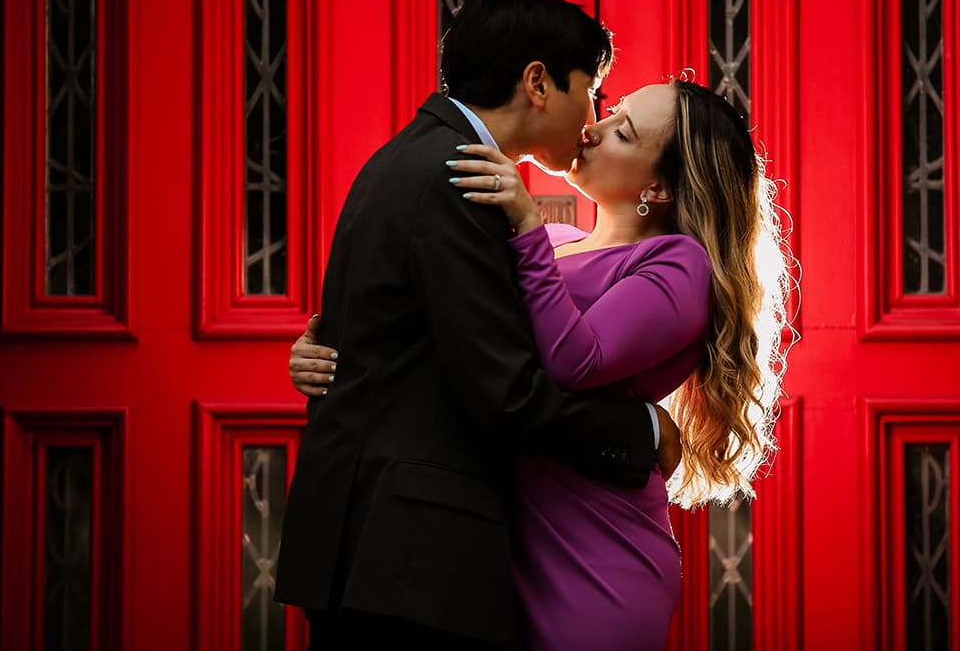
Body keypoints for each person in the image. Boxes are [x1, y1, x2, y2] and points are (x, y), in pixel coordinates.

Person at [290, 76, 792, 650]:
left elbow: (574, 361)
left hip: (596, 559)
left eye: (622, 133)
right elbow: (452, 339)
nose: (593, 129)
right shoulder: (552, 241)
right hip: (499, 546)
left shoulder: (678, 264)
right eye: (611, 112)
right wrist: (330, 355)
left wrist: (526, 224)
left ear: (660, 186)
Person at [272, 0, 683, 650]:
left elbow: (391, 340)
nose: (590, 118)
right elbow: (506, 394)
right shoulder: (454, 176)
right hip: (408, 559)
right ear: (538, 82)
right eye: (592, 91)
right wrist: (639, 431)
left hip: (377, 551)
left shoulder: (412, 155)